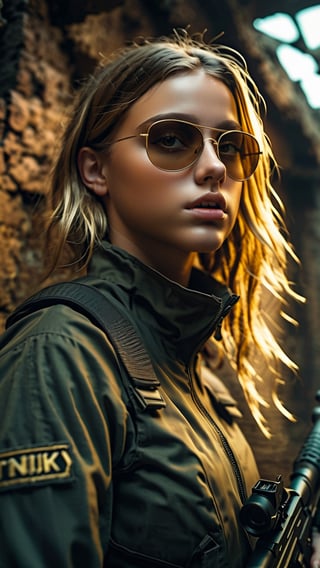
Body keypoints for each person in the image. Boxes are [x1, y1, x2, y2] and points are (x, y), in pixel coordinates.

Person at [0, 30, 315, 567]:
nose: (215, 167)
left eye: (231, 145)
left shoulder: (200, 372)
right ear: (95, 169)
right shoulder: (60, 354)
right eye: (172, 139)